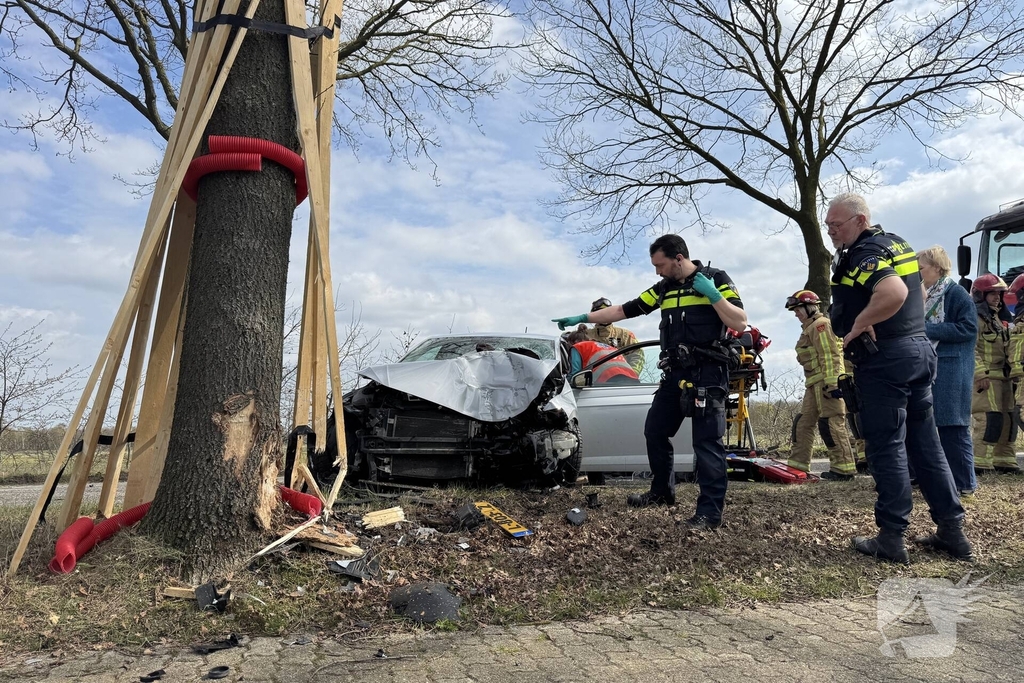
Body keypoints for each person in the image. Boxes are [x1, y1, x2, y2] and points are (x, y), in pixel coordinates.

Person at [552, 234, 747, 529]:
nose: (657, 271)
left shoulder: (715, 278)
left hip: (707, 374)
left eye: (660, 265)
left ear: (678, 259)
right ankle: (662, 492)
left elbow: (739, 322)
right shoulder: (664, 288)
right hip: (675, 375)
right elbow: (623, 310)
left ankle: (709, 513)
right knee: (655, 431)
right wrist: (583, 316)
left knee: (706, 443)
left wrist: (713, 295)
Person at [826, 192, 972, 563]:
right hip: (918, 353)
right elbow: (917, 290)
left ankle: (891, 538)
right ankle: (952, 532)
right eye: (827, 225)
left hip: (886, 360)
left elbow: (892, 291)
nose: (830, 231)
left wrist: (862, 323)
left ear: (860, 220)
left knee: (887, 446)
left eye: (836, 224)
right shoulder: (898, 244)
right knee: (926, 444)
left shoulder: (864, 253)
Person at [918, 246, 979, 494]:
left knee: (953, 426)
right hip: (932, 366)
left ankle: (965, 484)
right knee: (931, 426)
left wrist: (926, 329)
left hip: (953, 368)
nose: (917, 273)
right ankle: (940, 480)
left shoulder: (956, 294)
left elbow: (968, 329)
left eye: (921, 268)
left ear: (937, 267)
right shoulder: (925, 294)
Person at [785, 290, 857, 480]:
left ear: (811, 307)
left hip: (827, 384)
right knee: (803, 423)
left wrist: (833, 383)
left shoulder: (821, 325)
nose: (796, 314)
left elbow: (830, 354)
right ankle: (797, 465)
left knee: (831, 423)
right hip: (814, 384)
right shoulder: (810, 328)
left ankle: (843, 469)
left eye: (798, 309)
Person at [970, 274, 1017, 474]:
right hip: (986, 379)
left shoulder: (1000, 319)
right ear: (981, 295)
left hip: (1004, 378)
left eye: (1000, 294)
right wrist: (980, 374)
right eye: (992, 294)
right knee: (989, 419)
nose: (997, 297)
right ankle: (980, 463)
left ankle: (1004, 461)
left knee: (1009, 420)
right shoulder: (975, 318)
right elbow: (970, 349)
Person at [584, 298, 645, 373]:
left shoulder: (625, 335)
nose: (605, 315)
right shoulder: (585, 335)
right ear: (593, 315)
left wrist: (631, 374)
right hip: (593, 379)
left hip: (620, 379)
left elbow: (638, 355)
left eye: (607, 312)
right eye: (600, 313)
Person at [566, 328, 640, 384]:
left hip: (609, 380)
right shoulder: (606, 346)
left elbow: (575, 373)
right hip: (633, 379)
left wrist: (566, 383)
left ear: (574, 341)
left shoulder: (578, 347)